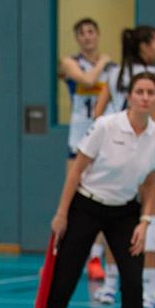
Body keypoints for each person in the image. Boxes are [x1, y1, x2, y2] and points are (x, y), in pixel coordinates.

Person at [23, 72, 155, 308]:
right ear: (129, 96)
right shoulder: (105, 126)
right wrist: (62, 214)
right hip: (86, 206)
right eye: (139, 91)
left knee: (133, 284)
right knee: (62, 283)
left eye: (150, 93)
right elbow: (76, 170)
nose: (145, 97)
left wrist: (145, 221)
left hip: (125, 212)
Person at [92, 25, 155, 308]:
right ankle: (149, 288)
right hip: (144, 150)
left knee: (114, 218)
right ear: (144, 47)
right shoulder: (154, 77)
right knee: (151, 218)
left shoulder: (113, 73)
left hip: (113, 153)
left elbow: (97, 113)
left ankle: (110, 286)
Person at [58, 17, 116, 283]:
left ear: (98, 34)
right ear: (77, 38)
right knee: (73, 199)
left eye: (91, 31)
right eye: (82, 33)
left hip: (104, 140)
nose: (87, 36)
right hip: (79, 138)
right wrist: (103, 62)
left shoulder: (113, 69)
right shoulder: (70, 63)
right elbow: (88, 78)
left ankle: (96, 257)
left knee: (103, 198)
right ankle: (63, 255)